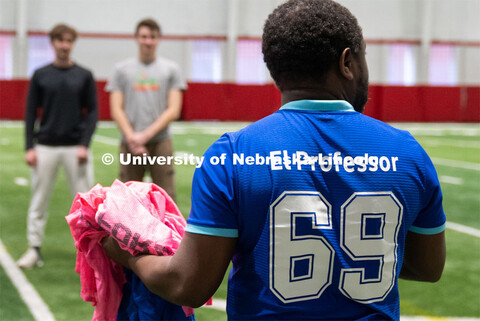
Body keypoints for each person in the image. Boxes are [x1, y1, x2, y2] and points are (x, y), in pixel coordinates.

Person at [103, 0, 446, 320]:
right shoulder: (407, 152)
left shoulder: (233, 154)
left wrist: (129, 257)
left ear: (275, 69)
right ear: (347, 62)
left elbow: (188, 284)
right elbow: (428, 267)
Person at [18, 23, 98, 269]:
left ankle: (92, 254)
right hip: (46, 147)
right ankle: (34, 249)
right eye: (60, 40)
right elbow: (31, 111)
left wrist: (84, 144)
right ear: (52, 43)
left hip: (76, 149)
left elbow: (93, 111)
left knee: (86, 203)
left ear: (73, 43)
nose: (64, 45)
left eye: (68, 41)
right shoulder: (41, 74)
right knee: (39, 200)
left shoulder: (84, 75)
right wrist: (29, 146)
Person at [106, 18, 186, 200]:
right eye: (144, 36)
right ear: (136, 38)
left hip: (161, 142)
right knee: (128, 199)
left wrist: (144, 136)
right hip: (129, 143)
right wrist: (133, 138)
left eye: (152, 37)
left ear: (158, 39)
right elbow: (116, 109)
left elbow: (173, 110)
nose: (148, 41)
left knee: (165, 198)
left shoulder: (171, 69)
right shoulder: (121, 70)